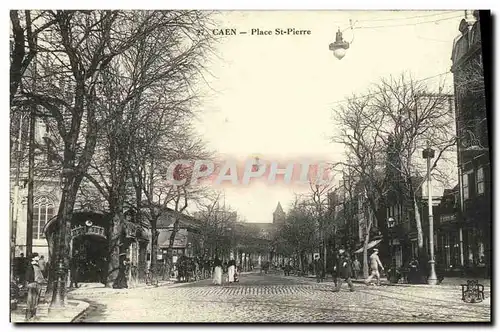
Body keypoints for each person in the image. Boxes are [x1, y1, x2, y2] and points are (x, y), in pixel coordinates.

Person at [25, 253, 46, 321]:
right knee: (31, 300)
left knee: (35, 300)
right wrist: (28, 282)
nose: (38, 257)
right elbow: (28, 275)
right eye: (37, 256)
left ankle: (33, 315)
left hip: (36, 283)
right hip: (33, 284)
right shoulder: (31, 265)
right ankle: (28, 317)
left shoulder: (36, 264)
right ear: (33, 258)